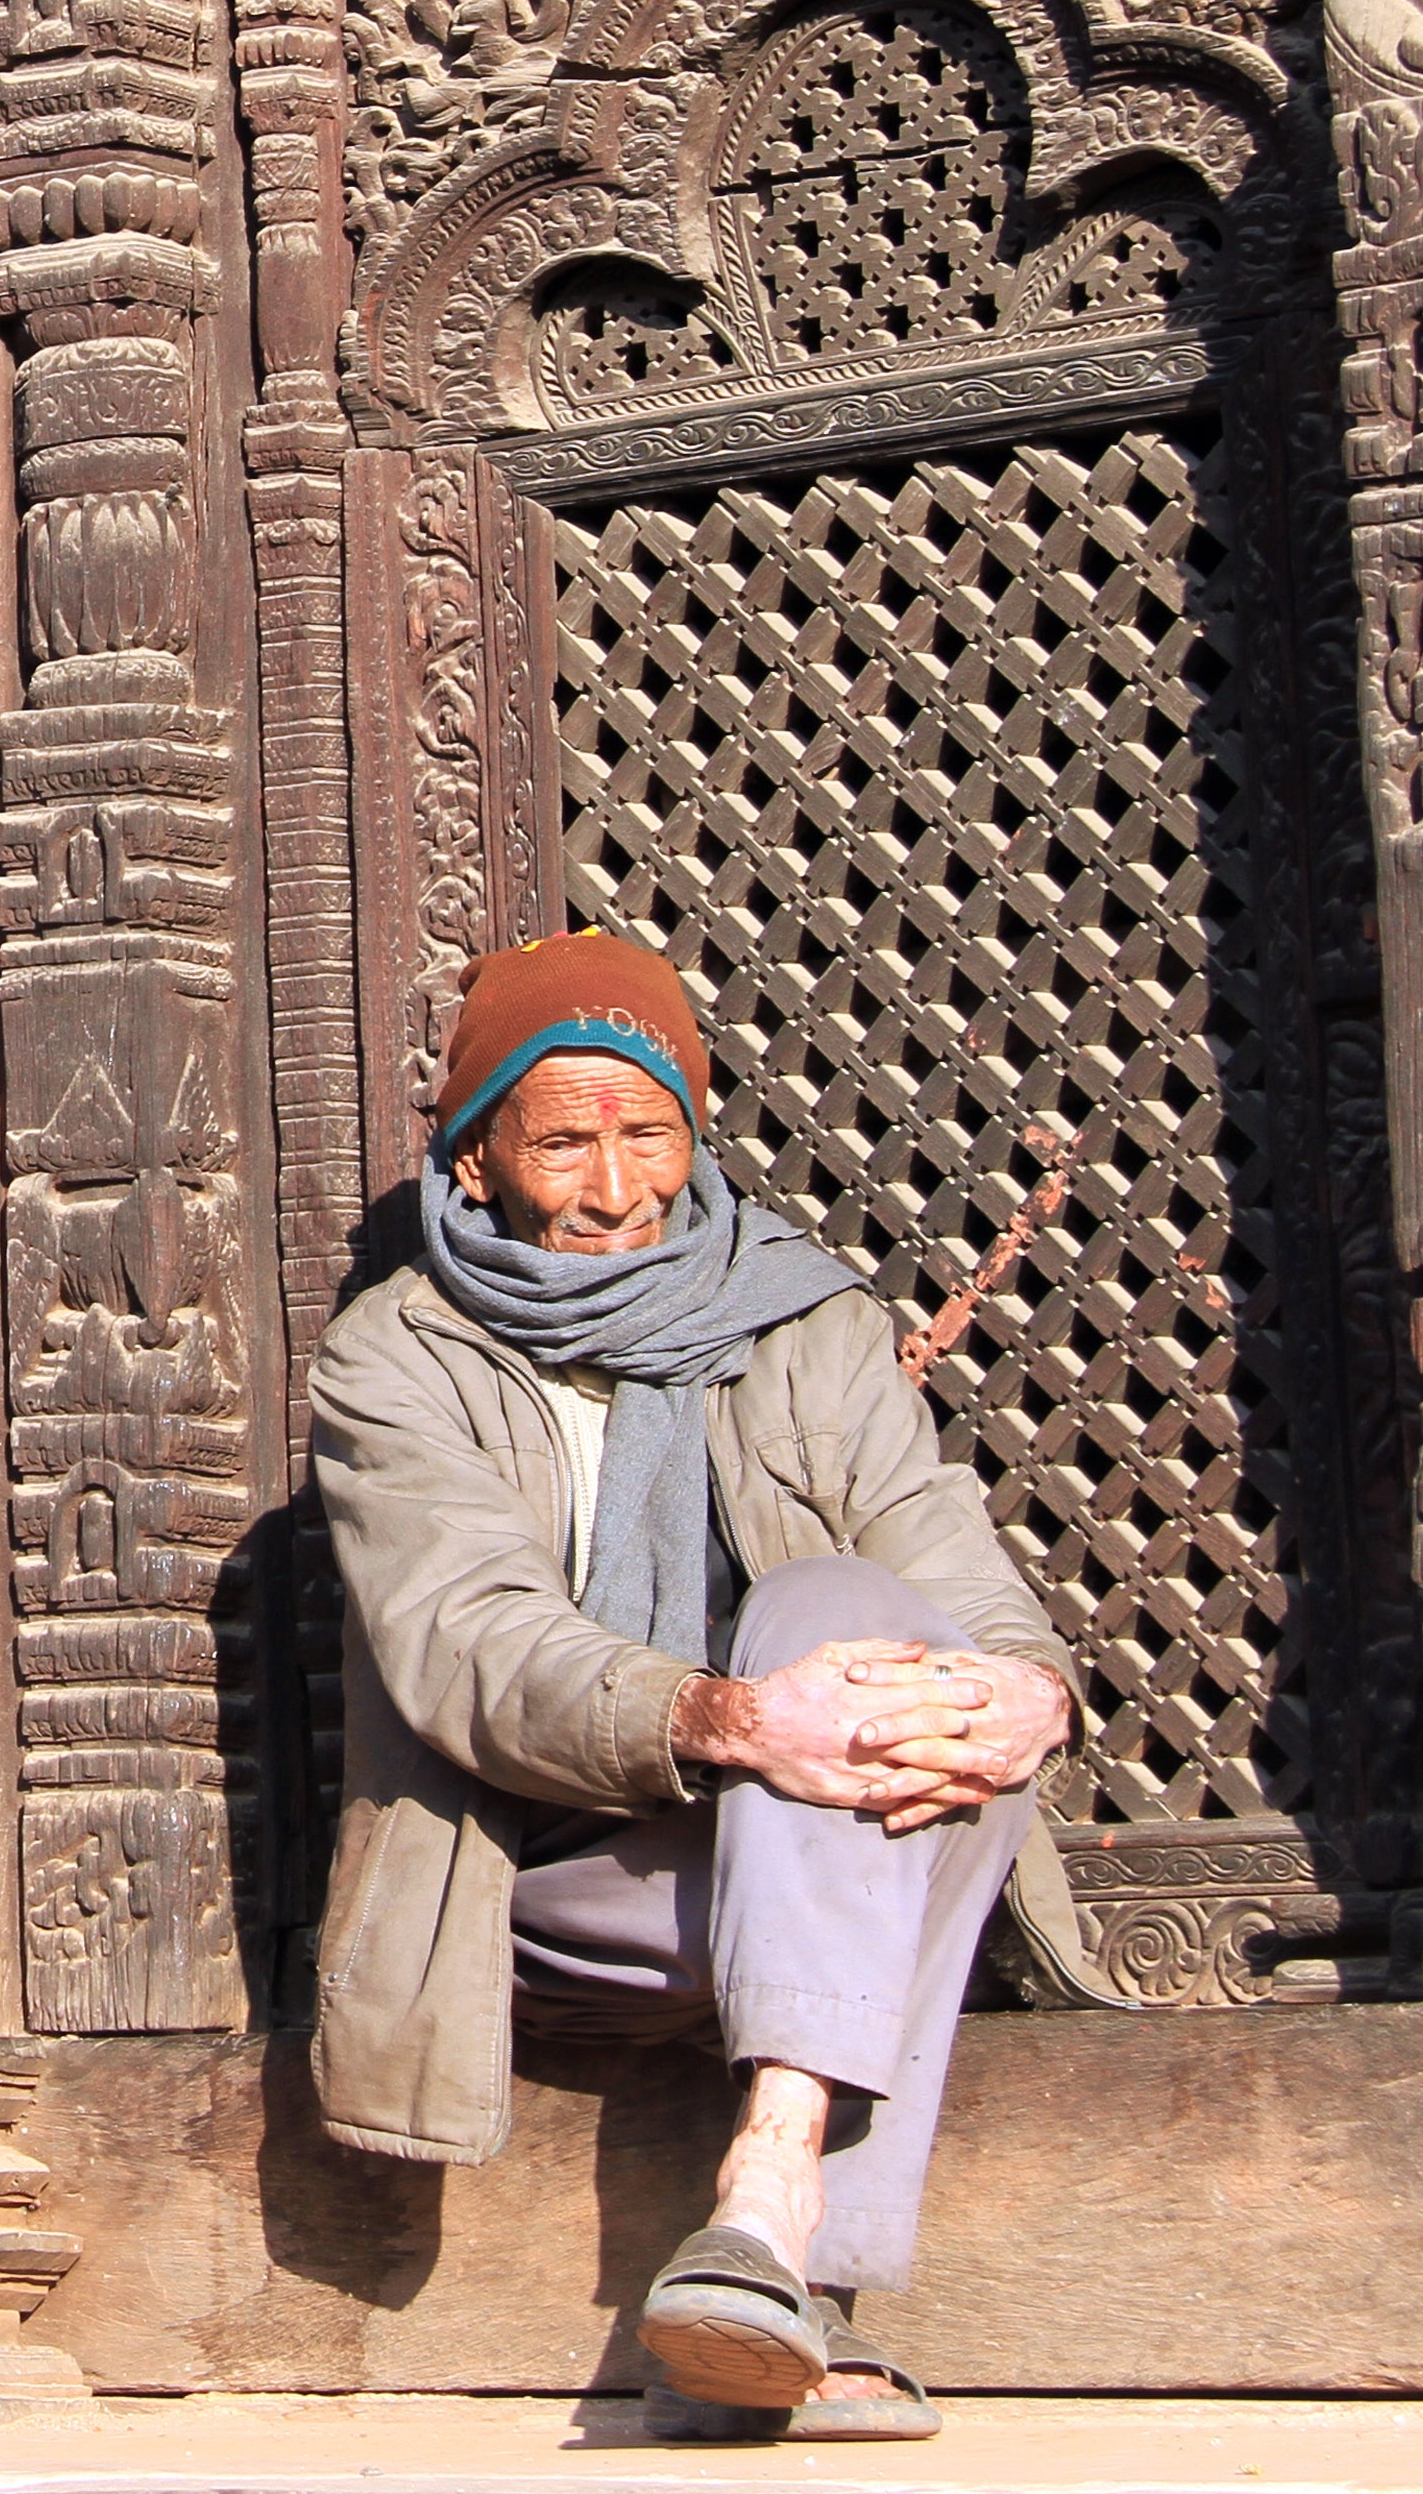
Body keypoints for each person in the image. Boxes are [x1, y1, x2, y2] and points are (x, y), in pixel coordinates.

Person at [308, 929, 1074, 2444]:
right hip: (550, 1885)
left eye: (648, 1134)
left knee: (871, 1636)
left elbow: (947, 1559)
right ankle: (810, 2306)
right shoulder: (395, 1360)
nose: (613, 1191)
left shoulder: (808, 1324)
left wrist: (1032, 1693)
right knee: (856, 1733)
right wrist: (731, 1722)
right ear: (476, 1163)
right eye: (565, 1144)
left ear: (694, 1133)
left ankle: (768, 2214)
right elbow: (480, 1650)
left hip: (811, 1833)